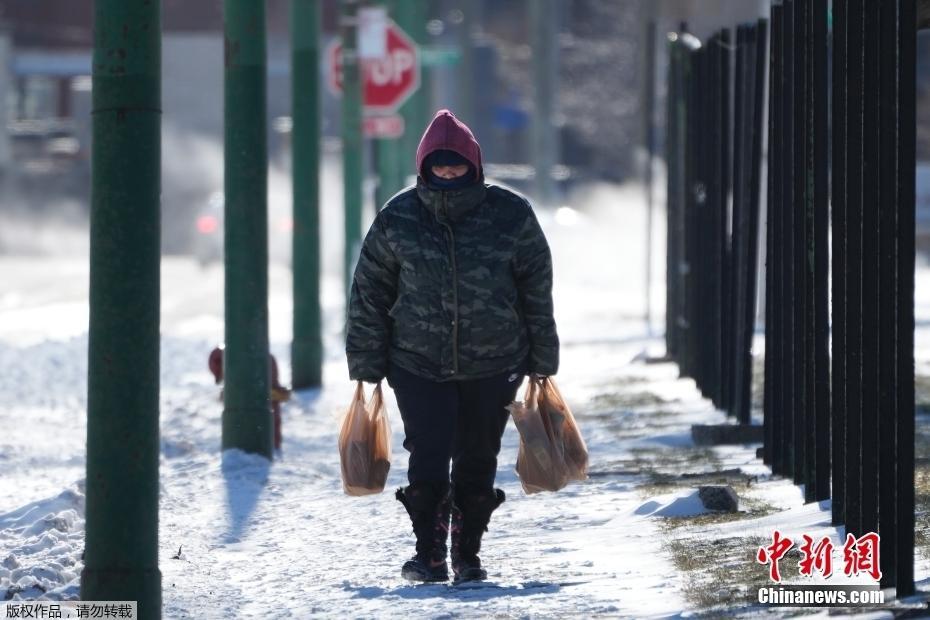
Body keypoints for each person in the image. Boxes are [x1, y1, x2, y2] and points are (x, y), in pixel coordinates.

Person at [345, 109, 559, 583]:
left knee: (479, 457)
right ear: (423, 165)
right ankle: (428, 554)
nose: (447, 171)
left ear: (474, 165)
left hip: (496, 360)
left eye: (455, 163)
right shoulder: (397, 218)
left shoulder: (511, 215)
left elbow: (535, 289)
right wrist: (365, 358)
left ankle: (467, 553)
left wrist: (543, 356)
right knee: (428, 453)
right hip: (416, 362)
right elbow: (370, 292)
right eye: (438, 163)